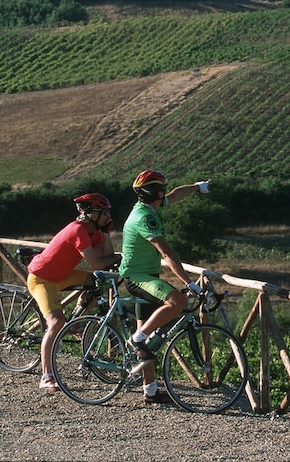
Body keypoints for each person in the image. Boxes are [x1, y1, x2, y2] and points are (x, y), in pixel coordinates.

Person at [119, 169, 210, 405]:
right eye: (161, 189)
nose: (165, 192)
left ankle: (150, 391)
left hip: (144, 275)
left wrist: (197, 187)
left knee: (149, 340)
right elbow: (167, 253)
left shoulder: (151, 206)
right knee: (177, 301)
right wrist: (189, 282)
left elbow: (176, 195)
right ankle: (135, 341)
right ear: (155, 193)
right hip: (138, 277)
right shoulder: (145, 218)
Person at [26, 193, 121, 393]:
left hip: (61, 275)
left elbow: (106, 256)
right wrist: (116, 261)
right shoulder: (77, 230)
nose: (108, 216)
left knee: (98, 281)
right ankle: (47, 376)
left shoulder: (93, 231)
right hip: (42, 279)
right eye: (104, 213)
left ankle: (76, 320)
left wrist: (105, 233)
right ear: (92, 214)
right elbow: (98, 262)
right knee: (56, 323)